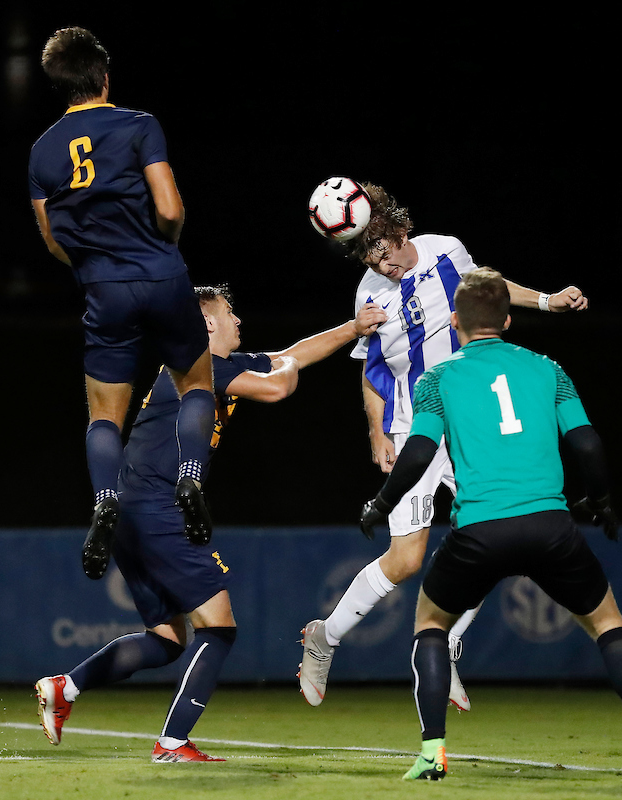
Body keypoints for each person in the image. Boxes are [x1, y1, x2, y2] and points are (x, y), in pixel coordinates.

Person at [358, 268, 622, 781]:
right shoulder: (548, 369)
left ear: (455, 322)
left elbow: (418, 452)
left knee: (430, 624)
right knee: (609, 624)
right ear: (508, 319)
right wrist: (602, 499)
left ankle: (432, 755)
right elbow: (586, 442)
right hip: (550, 527)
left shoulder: (438, 378)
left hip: (480, 530)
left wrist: (382, 503)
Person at [34, 286, 386, 763]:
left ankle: (66, 687)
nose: (239, 320)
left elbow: (290, 354)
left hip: (127, 512)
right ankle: (173, 743)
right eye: (230, 312)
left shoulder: (209, 367)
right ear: (207, 325)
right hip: (158, 508)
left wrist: (351, 329)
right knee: (219, 630)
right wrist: (285, 367)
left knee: (167, 639)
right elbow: (281, 381)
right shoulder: (201, 369)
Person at [299, 182, 589, 712]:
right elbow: (372, 370)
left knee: (490, 538)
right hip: (416, 430)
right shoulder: (368, 294)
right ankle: (325, 636)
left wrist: (547, 301)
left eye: (380, 249)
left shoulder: (446, 250)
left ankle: (449, 644)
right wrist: (376, 431)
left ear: (398, 229)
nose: (377, 262)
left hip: (469, 427)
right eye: (365, 254)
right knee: (406, 558)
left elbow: (490, 290)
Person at [28, 27, 214, 581]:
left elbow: (52, 238)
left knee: (104, 414)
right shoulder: (139, 125)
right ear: (105, 76)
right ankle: (190, 475)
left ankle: (106, 497)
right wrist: (163, 245)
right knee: (197, 384)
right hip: (162, 273)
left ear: (58, 86)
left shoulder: (40, 152)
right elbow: (171, 207)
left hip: (103, 290)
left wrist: (93, 267)